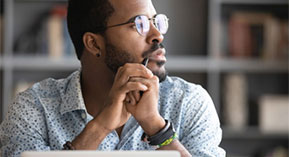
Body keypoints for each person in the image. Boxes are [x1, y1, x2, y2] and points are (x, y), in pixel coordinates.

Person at [0, 0, 225, 156]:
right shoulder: (34, 107)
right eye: (139, 24)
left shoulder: (189, 101)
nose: (157, 34)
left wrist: (157, 129)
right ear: (94, 44)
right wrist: (100, 126)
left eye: (156, 21)